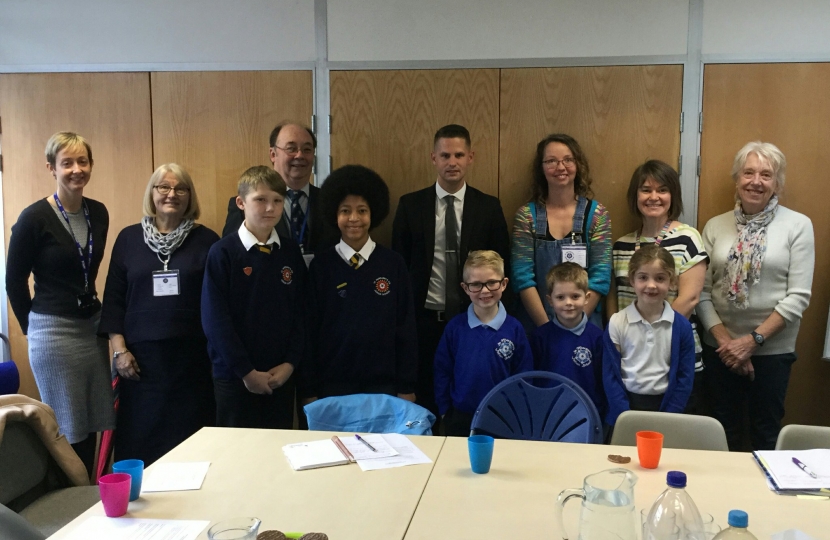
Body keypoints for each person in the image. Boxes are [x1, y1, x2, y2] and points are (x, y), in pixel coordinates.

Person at [5, 132, 114, 475]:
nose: (76, 169)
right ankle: (69, 506)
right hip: (53, 332)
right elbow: (13, 281)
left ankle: (92, 497)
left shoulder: (98, 212)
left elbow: (88, 269)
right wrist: (33, 328)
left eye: (83, 161)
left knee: (96, 418)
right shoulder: (34, 217)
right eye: (67, 163)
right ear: (51, 167)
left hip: (92, 330)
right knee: (66, 426)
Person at [99, 164, 219, 465]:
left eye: (180, 188)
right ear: (151, 193)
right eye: (163, 187)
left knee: (193, 448)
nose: (172, 194)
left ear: (189, 196)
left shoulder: (207, 241)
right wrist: (119, 352)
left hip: (192, 366)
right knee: (142, 445)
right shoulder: (128, 239)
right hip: (140, 367)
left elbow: (218, 304)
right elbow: (113, 301)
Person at [697, 142, 814, 451]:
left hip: (772, 351)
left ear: (777, 183)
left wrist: (751, 342)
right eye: (748, 172)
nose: (756, 181)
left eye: (766, 174)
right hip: (720, 350)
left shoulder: (798, 226)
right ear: (737, 179)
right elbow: (703, 292)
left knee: (765, 433)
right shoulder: (715, 226)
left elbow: (798, 297)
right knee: (722, 433)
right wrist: (727, 344)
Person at [392, 124, 510, 428]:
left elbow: (502, 263)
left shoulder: (488, 207)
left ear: (470, 157)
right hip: (424, 322)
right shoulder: (410, 205)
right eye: (445, 155)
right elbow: (400, 269)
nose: (452, 162)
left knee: (465, 403)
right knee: (427, 400)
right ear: (433, 158)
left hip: (472, 322)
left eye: (459, 154)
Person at [300, 165, 418, 403]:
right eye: (345, 210)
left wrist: (406, 386)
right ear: (334, 214)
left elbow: (406, 328)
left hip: (384, 386)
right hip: (331, 386)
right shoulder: (321, 266)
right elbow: (309, 331)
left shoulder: (393, 264)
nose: (354, 218)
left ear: (373, 213)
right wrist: (308, 390)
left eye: (362, 210)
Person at [202, 165, 306, 429]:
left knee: (278, 452)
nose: (270, 208)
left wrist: (290, 364)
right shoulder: (222, 253)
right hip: (234, 377)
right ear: (241, 202)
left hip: (280, 375)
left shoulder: (290, 252)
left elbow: (303, 313)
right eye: (260, 199)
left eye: (277, 201)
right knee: (237, 455)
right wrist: (246, 372)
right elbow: (215, 320)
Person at [609, 160, 708, 413]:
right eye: (646, 190)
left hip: (674, 358)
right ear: (636, 195)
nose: (654, 197)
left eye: (662, 190)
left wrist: (652, 341)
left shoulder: (688, 238)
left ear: (672, 195)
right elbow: (615, 300)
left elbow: (689, 298)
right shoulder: (622, 244)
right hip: (631, 362)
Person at [512, 133, 612, 331]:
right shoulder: (527, 216)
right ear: (541, 168)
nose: (560, 167)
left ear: (578, 165)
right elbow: (522, 277)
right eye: (551, 161)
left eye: (568, 160)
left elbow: (600, 276)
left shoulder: (597, 215)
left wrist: (576, 324)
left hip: (586, 324)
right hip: (538, 325)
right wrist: (548, 330)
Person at [434, 251, 532, 437]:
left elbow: (524, 375)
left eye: (492, 282)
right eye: (476, 284)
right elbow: (442, 370)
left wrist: (518, 410)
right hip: (461, 415)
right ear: (465, 288)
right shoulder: (455, 328)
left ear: (503, 284)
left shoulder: (514, 328)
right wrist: (445, 409)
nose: (485, 291)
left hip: (504, 416)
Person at [603, 244, 695, 426]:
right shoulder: (617, 322)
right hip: (625, 409)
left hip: (666, 409)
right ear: (632, 279)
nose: (651, 285)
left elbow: (685, 378)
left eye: (660, 278)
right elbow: (610, 376)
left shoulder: (681, 327)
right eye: (643, 277)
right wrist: (625, 416)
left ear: (672, 282)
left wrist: (669, 416)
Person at [221, 123, 338, 261]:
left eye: (307, 149)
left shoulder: (332, 202)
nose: (300, 155)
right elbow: (232, 256)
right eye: (291, 149)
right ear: (273, 154)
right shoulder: (246, 205)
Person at [531, 262, 605, 418]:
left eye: (575, 296)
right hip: (547, 415)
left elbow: (602, 382)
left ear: (587, 297)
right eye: (560, 297)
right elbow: (533, 379)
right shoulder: (540, 337)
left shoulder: (598, 337)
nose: (569, 303)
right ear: (550, 300)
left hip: (587, 415)